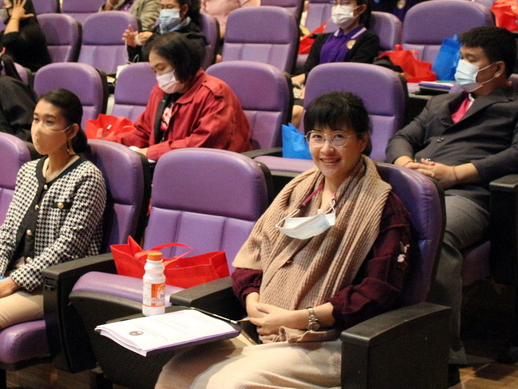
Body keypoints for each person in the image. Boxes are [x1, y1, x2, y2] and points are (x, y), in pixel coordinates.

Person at [157, 91, 413, 389]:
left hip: (329, 340)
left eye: (339, 137)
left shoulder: (383, 206)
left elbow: (378, 291)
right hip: (264, 327)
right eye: (317, 137)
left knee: (228, 384)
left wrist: (298, 318)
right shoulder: (298, 190)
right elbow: (253, 254)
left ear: (362, 140)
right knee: (176, 372)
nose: (326, 148)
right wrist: (252, 301)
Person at [386, 27, 518, 386]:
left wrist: (457, 173)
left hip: (470, 196)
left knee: (435, 234)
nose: (460, 65)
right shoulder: (440, 103)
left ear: (497, 68)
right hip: (416, 189)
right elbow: (402, 137)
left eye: (470, 59)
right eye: (461, 57)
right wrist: (405, 165)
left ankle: (441, 357)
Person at [0, 88, 106, 389]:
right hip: (11, 276)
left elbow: (68, 248)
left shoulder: (87, 177)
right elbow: (8, 230)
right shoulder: (28, 171)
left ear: (71, 131)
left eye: (49, 122)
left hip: (52, 285)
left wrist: (12, 283)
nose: (37, 129)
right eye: (36, 119)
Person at [109, 33, 251, 160]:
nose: (159, 77)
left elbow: (203, 144)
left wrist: (150, 152)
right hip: (165, 164)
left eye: (162, 68)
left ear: (183, 63)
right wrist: (110, 145)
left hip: (210, 167)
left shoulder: (213, 93)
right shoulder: (160, 91)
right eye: (155, 71)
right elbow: (143, 132)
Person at [291, 0, 380, 126]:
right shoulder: (322, 38)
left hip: (339, 96)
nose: (338, 8)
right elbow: (309, 70)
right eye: (335, 3)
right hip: (311, 90)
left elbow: (352, 74)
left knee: (294, 113)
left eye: (345, 3)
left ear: (361, 9)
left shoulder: (368, 39)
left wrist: (315, 87)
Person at [123, 0, 206, 63]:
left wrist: (155, 40)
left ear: (184, 9)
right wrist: (134, 47)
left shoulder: (193, 37)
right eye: (162, 7)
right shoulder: (156, 31)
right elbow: (140, 63)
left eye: (169, 7)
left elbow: (184, 62)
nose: (164, 11)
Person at [0, 0, 51, 73]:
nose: (2, 9)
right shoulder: (3, 33)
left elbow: (9, 41)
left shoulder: (33, 32)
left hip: (30, 77)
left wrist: (15, 17)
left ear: (18, 9)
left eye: (5, 5)